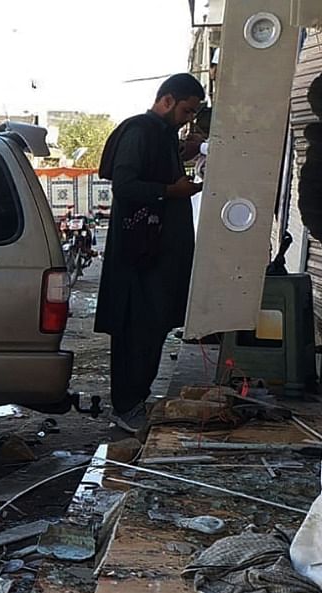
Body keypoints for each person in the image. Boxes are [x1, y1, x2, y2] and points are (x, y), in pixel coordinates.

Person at [94, 73, 206, 433]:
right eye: (186, 111)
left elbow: (156, 168)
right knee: (137, 330)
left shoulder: (162, 135)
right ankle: (126, 405)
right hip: (139, 257)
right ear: (168, 100)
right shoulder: (141, 130)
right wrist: (171, 191)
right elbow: (126, 185)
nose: (188, 119)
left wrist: (182, 155)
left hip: (157, 255)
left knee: (154, 327)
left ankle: (136, 399)